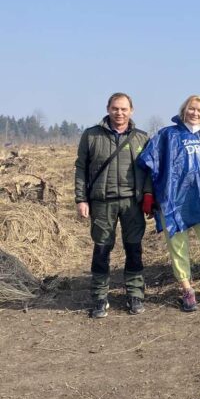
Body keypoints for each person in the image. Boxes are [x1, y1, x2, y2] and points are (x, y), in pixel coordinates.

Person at [138, 95, 200, 312]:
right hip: (174, 202)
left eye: (199, 110)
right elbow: (150, 163)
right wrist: (149, 194)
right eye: (191, 109)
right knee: (178, 248)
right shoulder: (167, 135)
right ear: (183, 110)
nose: (195, 113)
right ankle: (186, 289)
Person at [75, 93, 153, 318]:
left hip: (132, 203)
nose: (119, 113)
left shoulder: (142, 138)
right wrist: (81, 199)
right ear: (108, 108)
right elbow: (81, 168)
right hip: (102, 203)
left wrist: (148, 195)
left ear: (131, 110)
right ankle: (99, 297)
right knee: (101, 249)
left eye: (124, 109)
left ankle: (135, 293)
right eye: (115, 108)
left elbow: (150, 170)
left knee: (134, 249)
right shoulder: (91, 135)